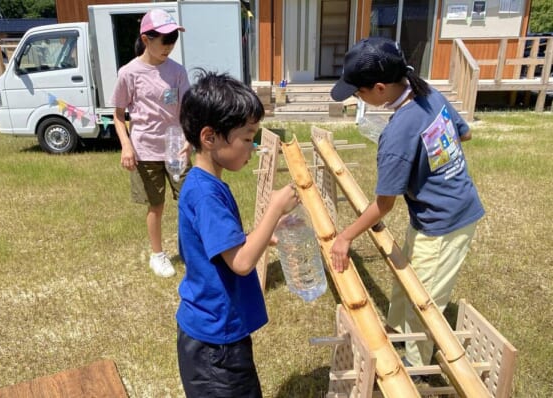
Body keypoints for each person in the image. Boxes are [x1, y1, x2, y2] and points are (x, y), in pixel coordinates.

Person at [329, 37, 484, 371]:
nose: (358, 98)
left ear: (381, 88)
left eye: (359, 92)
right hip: (435, 210)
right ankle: (396, 333)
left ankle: (413, 369)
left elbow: (384, 205)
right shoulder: (429, 92)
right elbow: (464, 133)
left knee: (423, 301)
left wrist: (344, 237)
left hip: (447, 221)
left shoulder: (398, 133)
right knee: (406, 277)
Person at [176, 70, 299, 397]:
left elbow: (223, 245)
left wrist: (256, 236)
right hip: (217, 344)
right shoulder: (206, 195)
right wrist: (273, 209)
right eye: (247, 138)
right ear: (210, 137)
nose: (252, 147)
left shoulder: (205, 184)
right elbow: (242, 263)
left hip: (213, 335)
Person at [111, 9, 191, 278]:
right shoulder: (129, 73)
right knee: (156, 204)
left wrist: (189, 142)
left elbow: (187, 110)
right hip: (145, 150)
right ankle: (158, 255)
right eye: (164, 40)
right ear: (146, 39)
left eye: (173, 40)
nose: (169, 46)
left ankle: (193, 250)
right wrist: (126, 146)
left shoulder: (177, 72)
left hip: (176, 147)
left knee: (190, 199)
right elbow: (119, 115)